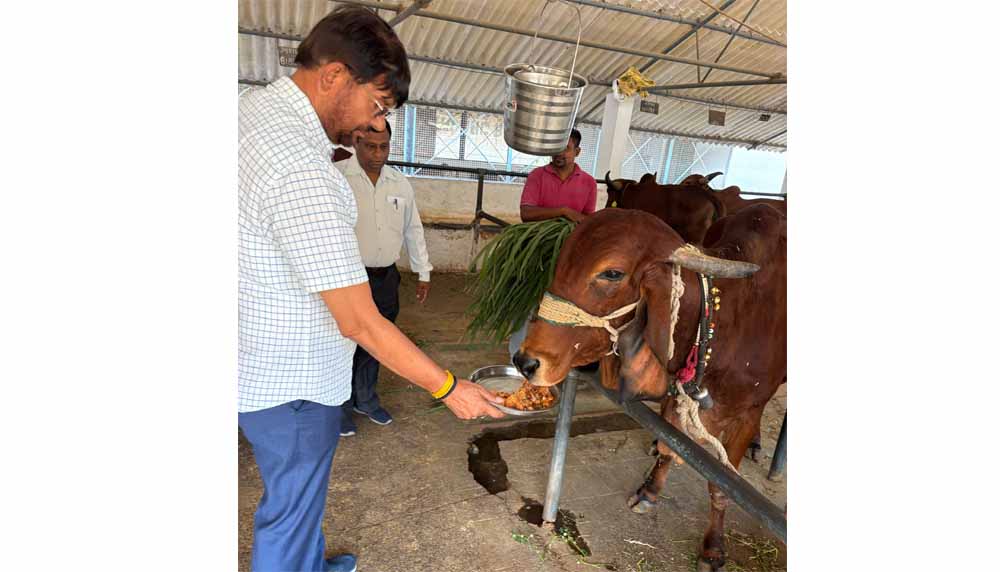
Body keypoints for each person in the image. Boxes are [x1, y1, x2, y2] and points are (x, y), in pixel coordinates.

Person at [238, 7, 504, 572]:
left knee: (299, 501)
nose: (370, 124)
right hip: (293, 382)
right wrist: (449, 386)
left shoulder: (251, 115)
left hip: (259, 358)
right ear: (334, 75)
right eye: (375, 105)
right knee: (288, 511)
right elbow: (358, 321)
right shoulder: (301, 166)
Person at [335, 122, 432, 435]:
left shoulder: (399, 183)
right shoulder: (336, 176)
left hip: (385, 277)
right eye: (370, 146)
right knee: (343, 341)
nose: (378, 154)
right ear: (356, 141)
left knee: (378, 340)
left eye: (384, 147)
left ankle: (366, 398)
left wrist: (423, 271)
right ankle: (340, 406)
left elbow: (412, 229)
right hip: (347, 277)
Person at [508, 129, 598, 357]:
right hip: (533, 251)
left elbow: (589, 219)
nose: (560, 153)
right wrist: (565, 212)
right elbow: (526, 213)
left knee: (563, 304)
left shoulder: (588, 182)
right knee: (525, 303)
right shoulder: (537, 175)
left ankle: (555, 354)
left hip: (569, 255)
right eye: (555, 147)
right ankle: (515, 354)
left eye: (566, 148)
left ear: (577, 151)